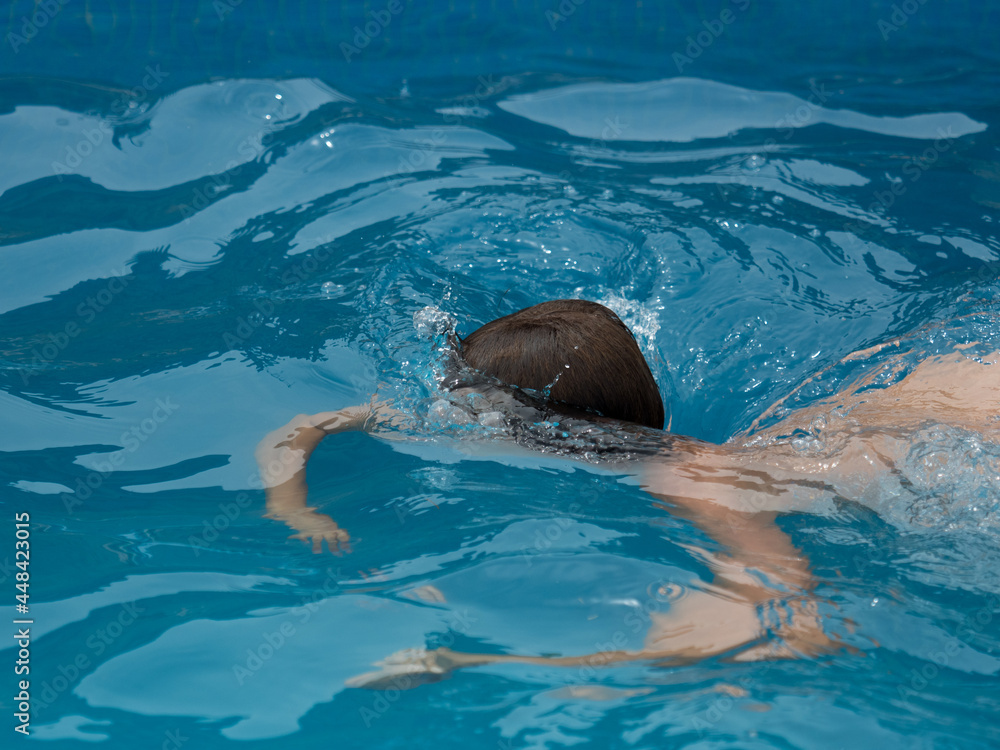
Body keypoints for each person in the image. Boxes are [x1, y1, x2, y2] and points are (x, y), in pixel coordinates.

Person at [255, 300, 999, 680]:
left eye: (478, 412)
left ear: (550, 434)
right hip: (954, 390)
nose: (458, 420)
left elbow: (794, 625)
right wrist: (293, 508)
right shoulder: (663, 455)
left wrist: (489, 664)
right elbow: (303, 426)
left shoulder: (692, 481)